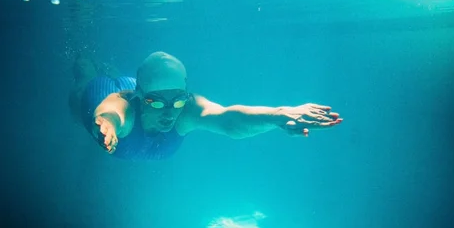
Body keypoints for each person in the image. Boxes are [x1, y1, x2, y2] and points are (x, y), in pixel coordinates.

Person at [69, 51, 342, 161]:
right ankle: (90, 71)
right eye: (156, 103)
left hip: (140, 84)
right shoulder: (126, 109)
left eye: (177, 100)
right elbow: (112, 112)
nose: (169, 112)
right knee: (83, 89)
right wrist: (106, 124)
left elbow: (227, 119)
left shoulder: (184, 109)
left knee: (141, 86)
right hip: (105, 95)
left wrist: (278, 116)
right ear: (141, 99)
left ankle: (117, 73)